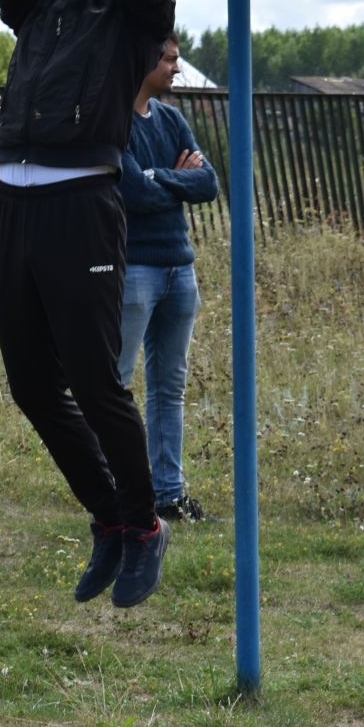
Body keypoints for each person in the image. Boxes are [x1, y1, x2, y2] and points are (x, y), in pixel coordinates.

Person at [0, 0, 176, 608]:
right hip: (14, 208)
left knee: (96, 379)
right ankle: (111, 518)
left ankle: (146, 520)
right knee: (30, 384)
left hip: (81, 204)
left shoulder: (136, 18)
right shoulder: (41, 12)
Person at [116, 35, 220, 523]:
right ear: (145, 59)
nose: (177, 69)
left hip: (181, 269)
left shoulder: (172, 119)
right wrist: (170, 180)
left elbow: (210, 183)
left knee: (168, 387)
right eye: (171, 59)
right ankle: (113, 492)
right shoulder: (113, 120)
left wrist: (161, 179)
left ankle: (169, 494)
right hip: (134, 268)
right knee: (116, 384)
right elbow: (131, 191)